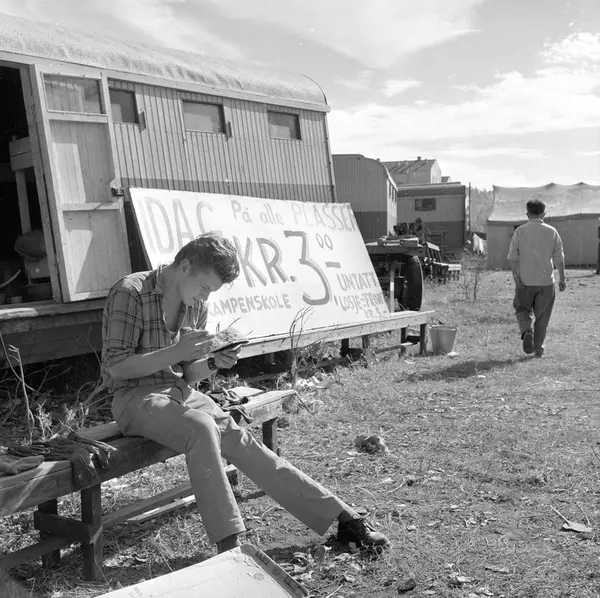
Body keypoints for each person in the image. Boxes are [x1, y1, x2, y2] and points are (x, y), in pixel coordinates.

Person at [101, 232, 391, 554]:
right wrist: (176, 352)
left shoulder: (195, 302)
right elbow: (116, 367)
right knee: (202, 427)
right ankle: (230, 548)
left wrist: (214, 362)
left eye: (211, 291)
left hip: (178, 393)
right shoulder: (131, 291)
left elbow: (188, 373)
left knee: (241, 441)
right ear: (184, 266)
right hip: (133, 399)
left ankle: (342, 517)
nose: (205, 297)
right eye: (204, 287)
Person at [507, 199, 566, 357]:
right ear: (544, 214)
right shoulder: (552, 231)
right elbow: (559, 258)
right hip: (546, 283)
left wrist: (516, 279)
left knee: (522, 309)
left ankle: (526, 331)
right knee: (542, 317)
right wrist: (562, 279)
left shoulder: (520, 231)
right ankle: (538, 348)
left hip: (525, 281)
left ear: (527, 214)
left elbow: (513, 258)